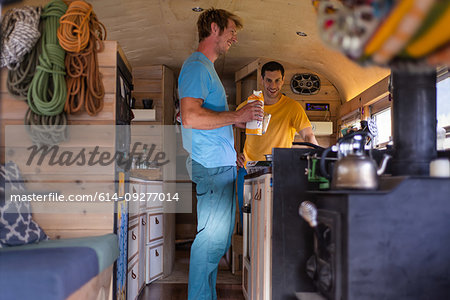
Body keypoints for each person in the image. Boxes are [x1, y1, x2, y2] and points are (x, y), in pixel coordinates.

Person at [177, 8, 264, 300]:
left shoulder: (206, 68)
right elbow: (189, 117)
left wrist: (235, 129)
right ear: (214, 28)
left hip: (220, 165)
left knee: (216, 241)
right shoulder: (196, 67)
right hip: (212, 168)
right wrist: (236, 115)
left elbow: (208, 119)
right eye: (231, 31)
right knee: (211, 242)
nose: (234, 38)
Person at [236, 61, 319, 167]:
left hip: (280, 167)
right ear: (262, 80)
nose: (273, 85)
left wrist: (319, 161)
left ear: (283, 80)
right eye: (268, 80)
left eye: (277, 80)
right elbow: (229, 127)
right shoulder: (248, 105)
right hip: (249, 167)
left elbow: (308, 136)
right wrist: (234, 153)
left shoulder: (293, 107)